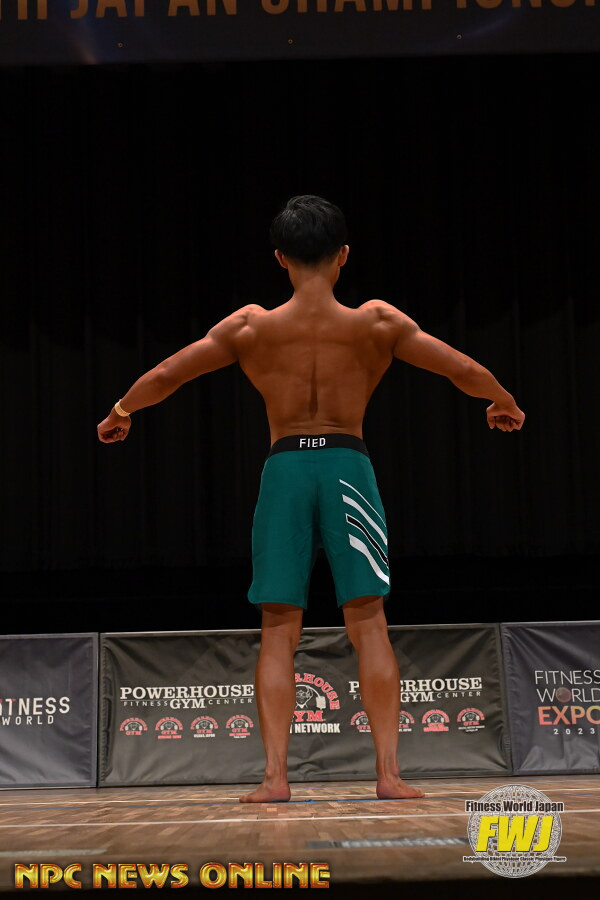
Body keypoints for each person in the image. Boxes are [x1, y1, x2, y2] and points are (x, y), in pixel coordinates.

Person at [97, 195, 525, 803]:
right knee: (369, 622)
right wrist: (502, 400)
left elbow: (168, 375)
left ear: (280, 258)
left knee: (278, 629)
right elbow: (460, 368)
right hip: (348, 466)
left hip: (286, 471)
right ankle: (388, 775)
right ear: (344, 255)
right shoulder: (376, 322)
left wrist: (121, 410)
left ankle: (275, 778)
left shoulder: (251, 326)